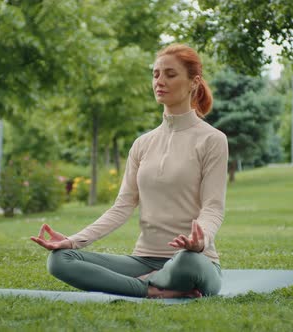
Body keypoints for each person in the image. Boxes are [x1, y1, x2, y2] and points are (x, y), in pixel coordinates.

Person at [31, 44, 228, 299]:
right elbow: (121, 207)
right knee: (59, 260)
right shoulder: (142, 144)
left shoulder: (212, 140)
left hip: (195, 261)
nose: (160, 81)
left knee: (186, 262)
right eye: (156, 74)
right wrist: (74, 241)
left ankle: (150, 283)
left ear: (194, 82)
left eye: (170, 74)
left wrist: (200, 240)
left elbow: (213, 208)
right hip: (143, 261)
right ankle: (151, 289)